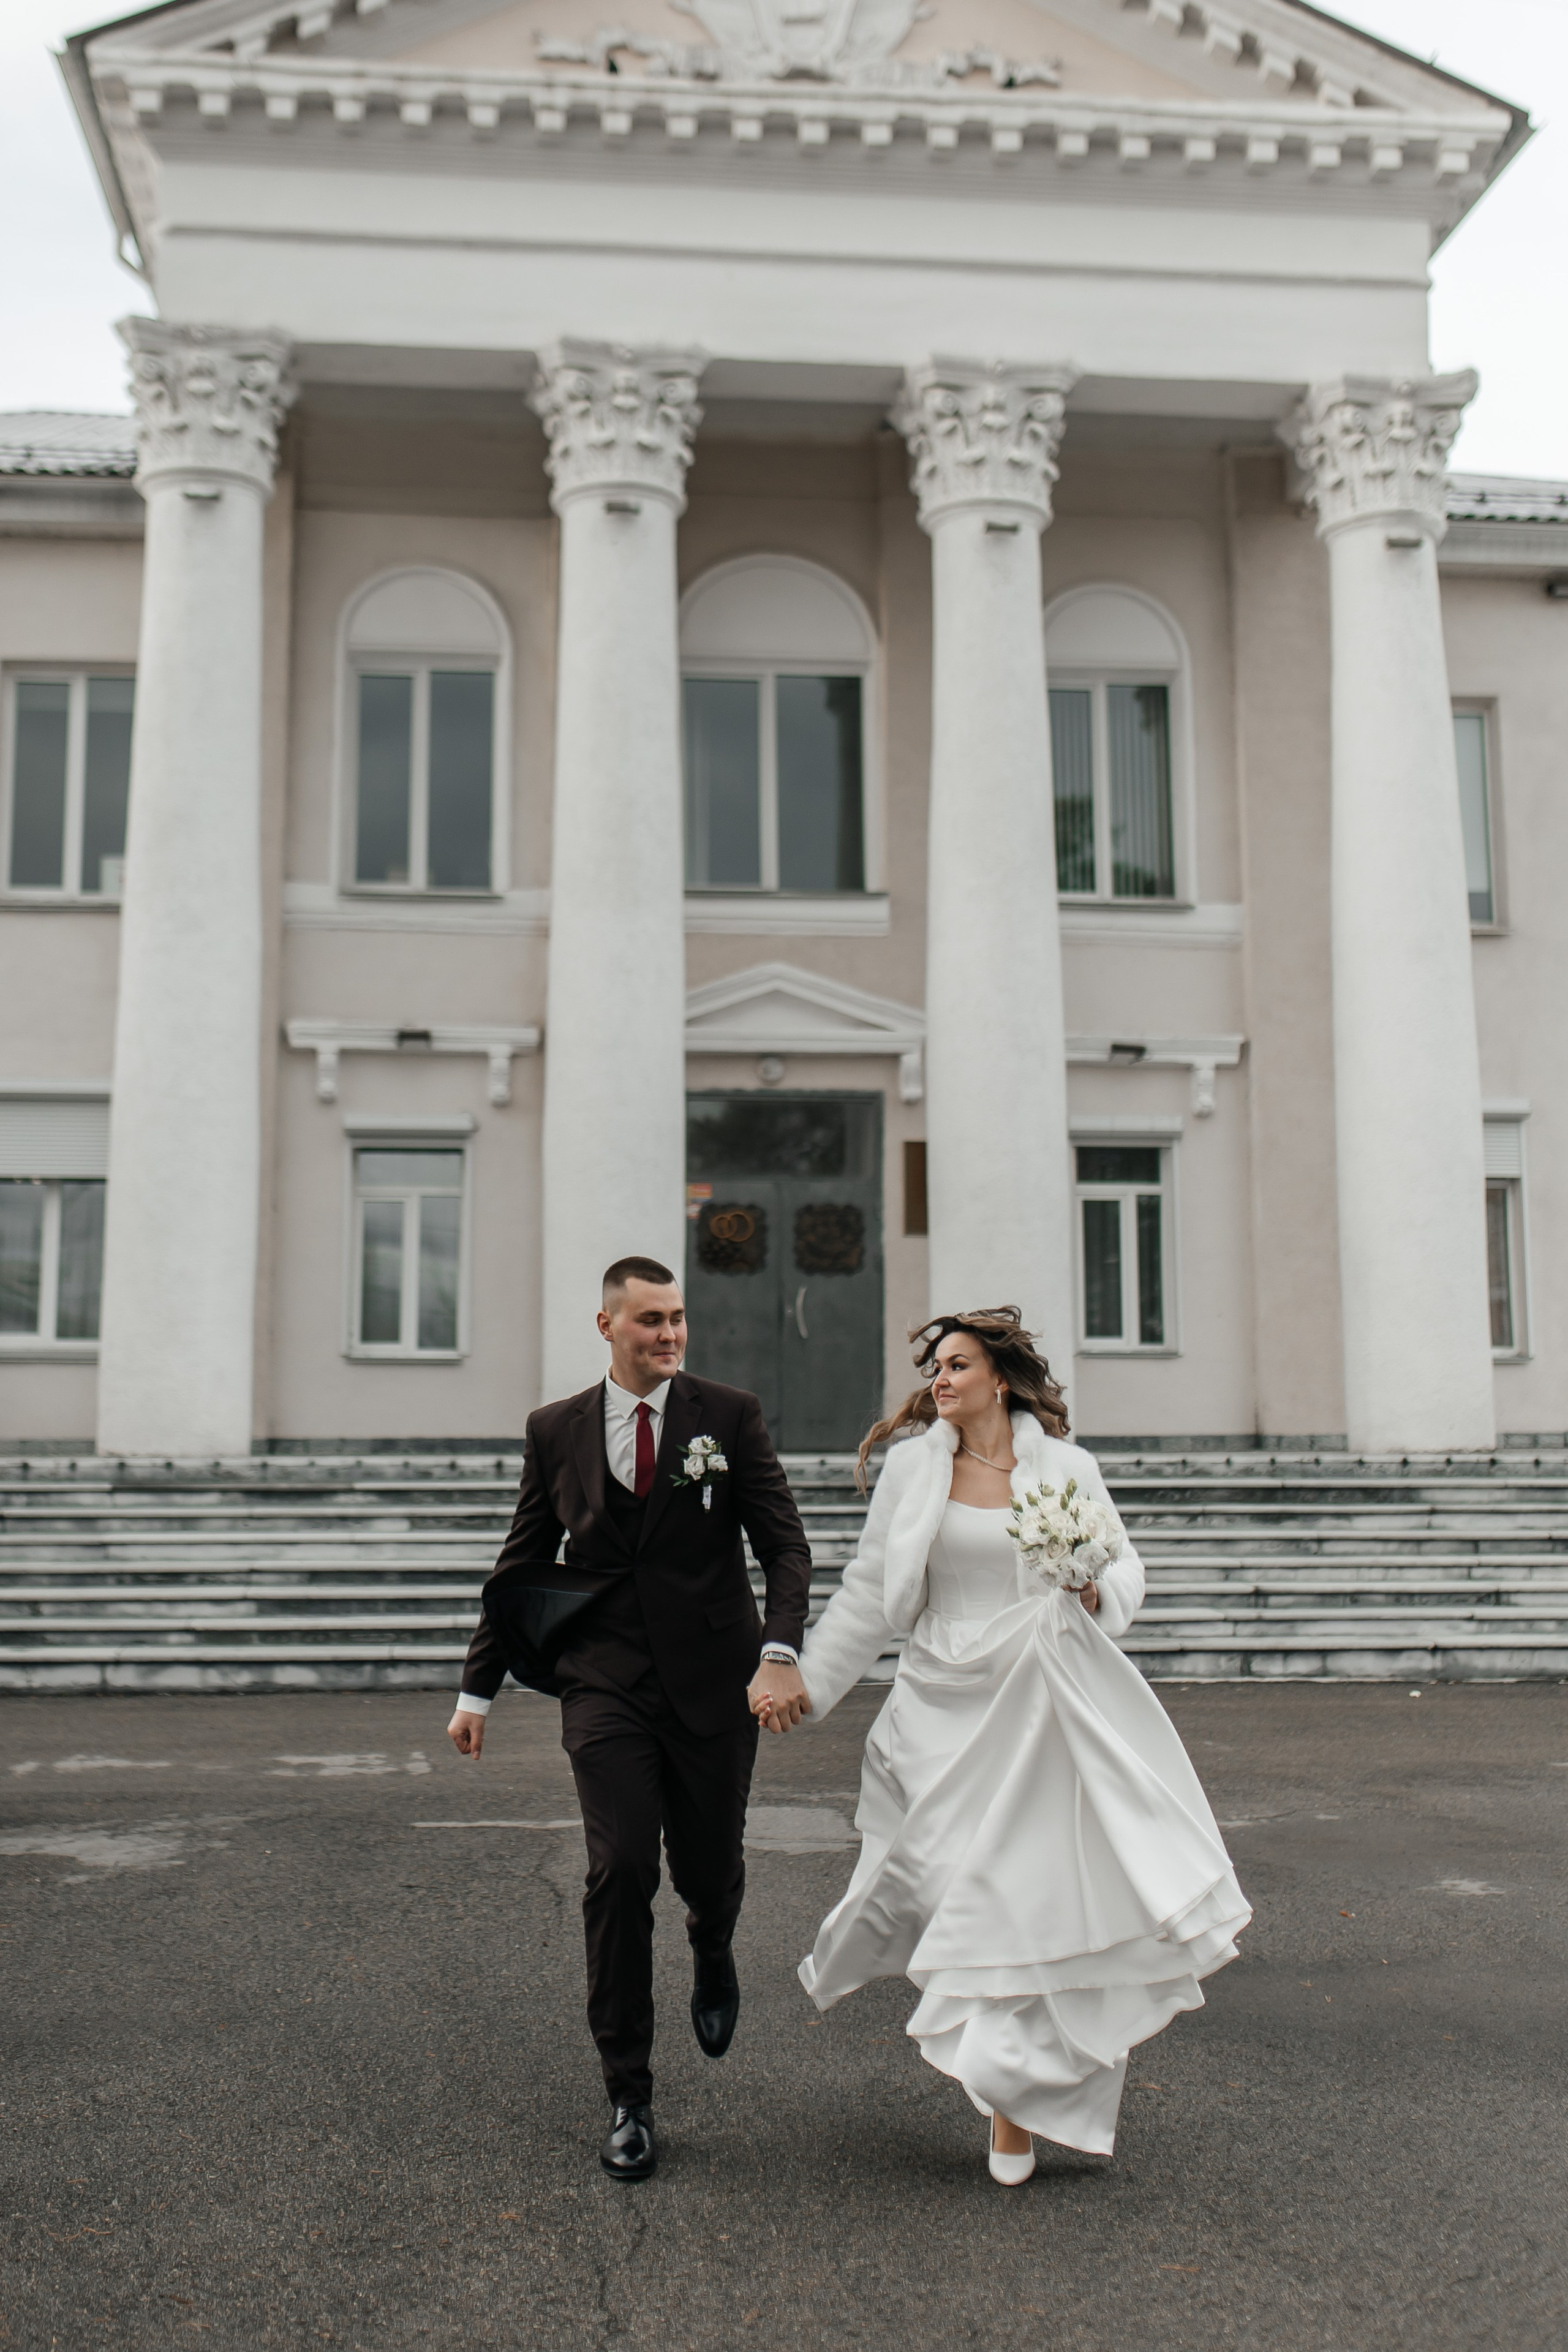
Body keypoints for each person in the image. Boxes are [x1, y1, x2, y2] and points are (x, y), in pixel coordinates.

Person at [766, 1306, 1250, 2185]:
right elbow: (872, 1593)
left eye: (957, 1366)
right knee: (956, 1892)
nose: (940, 1380)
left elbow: (1124, 1567)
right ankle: (1010, 2088)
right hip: (938, 1707)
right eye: (936, 1368)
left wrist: (1096, 1592)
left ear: (999, 1377)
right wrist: (807, 1683)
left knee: (1024, 1903)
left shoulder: (1066, 1468)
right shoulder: (912, 1473)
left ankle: (1012, 2110)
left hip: (1037, 1701)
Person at [448, 1257, 813, 2182]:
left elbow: (784, 1546)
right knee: (616, 1870)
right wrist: (476, 1688)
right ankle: (628, 2093)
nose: (670, 1334)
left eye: (678, 1318)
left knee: (709, 1867)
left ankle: (714, 1940)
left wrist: (779, 1652)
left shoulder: (727, 1417)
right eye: (650, 1320)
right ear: (606, 1325)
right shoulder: (556, 1429)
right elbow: (523, 1556)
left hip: (714, 1683)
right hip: (604, 1683)